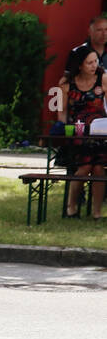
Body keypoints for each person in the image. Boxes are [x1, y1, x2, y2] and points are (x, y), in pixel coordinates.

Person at [57, 44, 107, 219]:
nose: (94, 65)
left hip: (100, 132)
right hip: (78, 132)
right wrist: (62, 130)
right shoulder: (67, 85)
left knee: (99, 168)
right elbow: (62, 112)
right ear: (79, 65)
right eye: (89, 63)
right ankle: (72, 205)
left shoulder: (103, 79)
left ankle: (97, 211)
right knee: (84, 167)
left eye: (96, 61)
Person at [64, 16, 107, 80]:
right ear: (89, 32)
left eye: (106, 29)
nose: (104, 33)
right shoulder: (77, 52)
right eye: (99, 30)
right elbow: (67, 80)